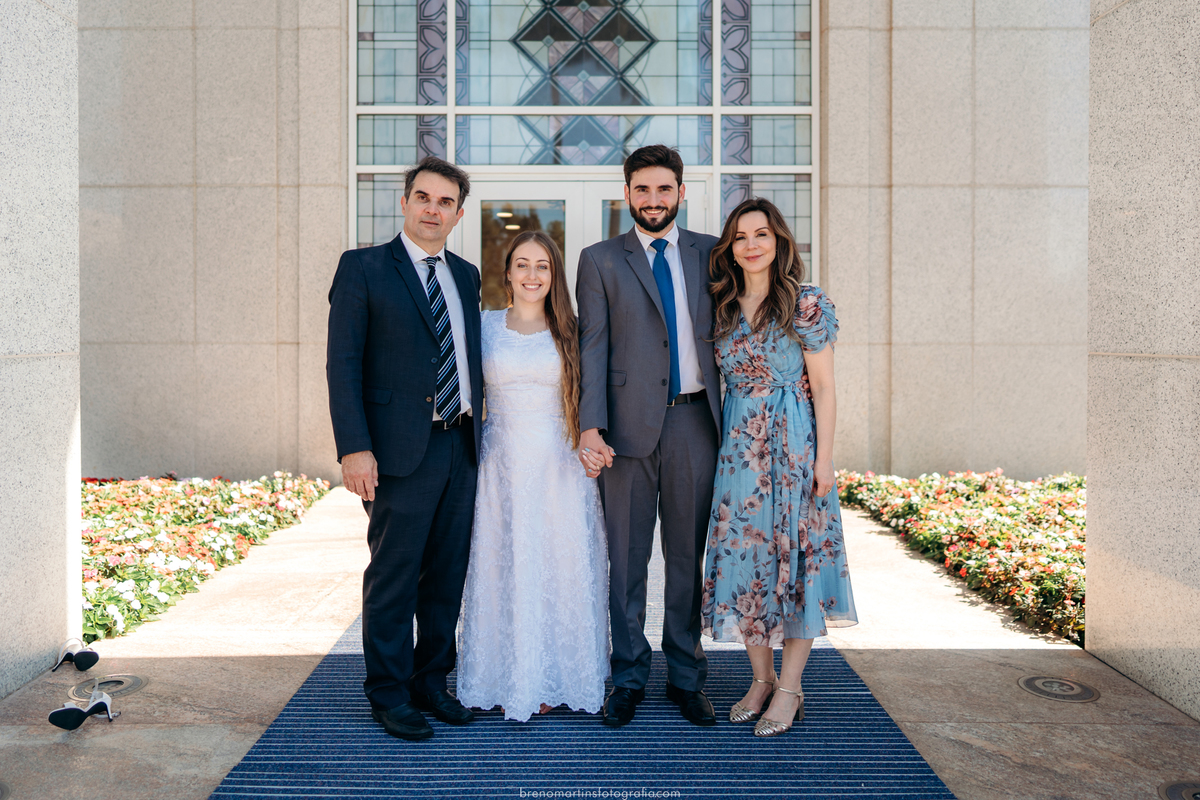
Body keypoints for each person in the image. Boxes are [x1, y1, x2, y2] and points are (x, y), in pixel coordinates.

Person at [326, 156, 483, 741]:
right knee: (395, 575)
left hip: (461, 444)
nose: (432, 210)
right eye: (423, 197)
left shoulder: (466, 275)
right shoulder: (364, 267)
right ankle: (389, 693)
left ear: (458, 214)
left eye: (445, 202)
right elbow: (343, 364)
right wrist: (355, 448)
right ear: (405, 202)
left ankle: (430, 682)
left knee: (446, 576)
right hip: (397, 452)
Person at [575, 145, 722, 728]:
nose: (653, 199)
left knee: (687, 556)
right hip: (624, 431)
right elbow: (592, 347)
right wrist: (590, 425)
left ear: (681, 192)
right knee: (627, 558)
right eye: (643, 189)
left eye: (664, 189)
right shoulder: (599, 259)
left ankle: (686, 676)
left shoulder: (713, 253)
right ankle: (629, 676)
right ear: (627, 194)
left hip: (695, 423)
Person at [700, 197, 858, 737]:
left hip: (794, 450)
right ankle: (761, 679)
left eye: (761, 234)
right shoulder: (721, 306)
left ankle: (790, 688)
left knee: (797, 564)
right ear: (730, 248)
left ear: (779, 241)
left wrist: (824, 460)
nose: (751, 245)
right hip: (739, 456)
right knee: (747, 562)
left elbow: (826, 388)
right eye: (741, 237)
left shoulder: (805, 303)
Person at [456, 231, 609, 722]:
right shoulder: (484, 325)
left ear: (554, 274)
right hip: (500, 464)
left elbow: (593, 395)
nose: (532, 274)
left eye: (542, 265)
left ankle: (556, 676)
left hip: (557, 465)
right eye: (522, 264)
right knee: (503, 565)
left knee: (558, 566)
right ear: (507, 273)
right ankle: (506, 676)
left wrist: (595, 440)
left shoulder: (572, 330)